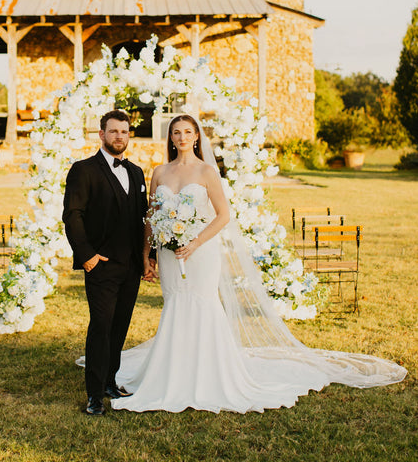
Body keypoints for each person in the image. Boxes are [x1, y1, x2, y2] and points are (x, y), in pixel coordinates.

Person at [111, 114, 407, 414]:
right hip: (169, 255)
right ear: (170, 138)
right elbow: (152, 216)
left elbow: (223, 215)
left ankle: (208, 375)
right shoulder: (160, 172)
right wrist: (148, 253)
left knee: (202, 304)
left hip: (199, 252)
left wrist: (195, 243)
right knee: (175, 304)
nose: (182, 137)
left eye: (188, 131)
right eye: (176, 132)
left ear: (197, 136)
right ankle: (171, 373)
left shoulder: (207, 172)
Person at [63, 109, 155, 416]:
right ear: (101, 134)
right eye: (113, 131)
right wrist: (87, 256)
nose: (119, 136)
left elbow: (144, 217)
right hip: (100, 265)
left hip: (130, 266)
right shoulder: (83, 170)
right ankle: (93, 394)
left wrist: (148, 256)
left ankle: (110, 381)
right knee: (101, 326)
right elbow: (73, 215)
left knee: (119, 326)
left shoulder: (137, 172)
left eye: (124, 132)